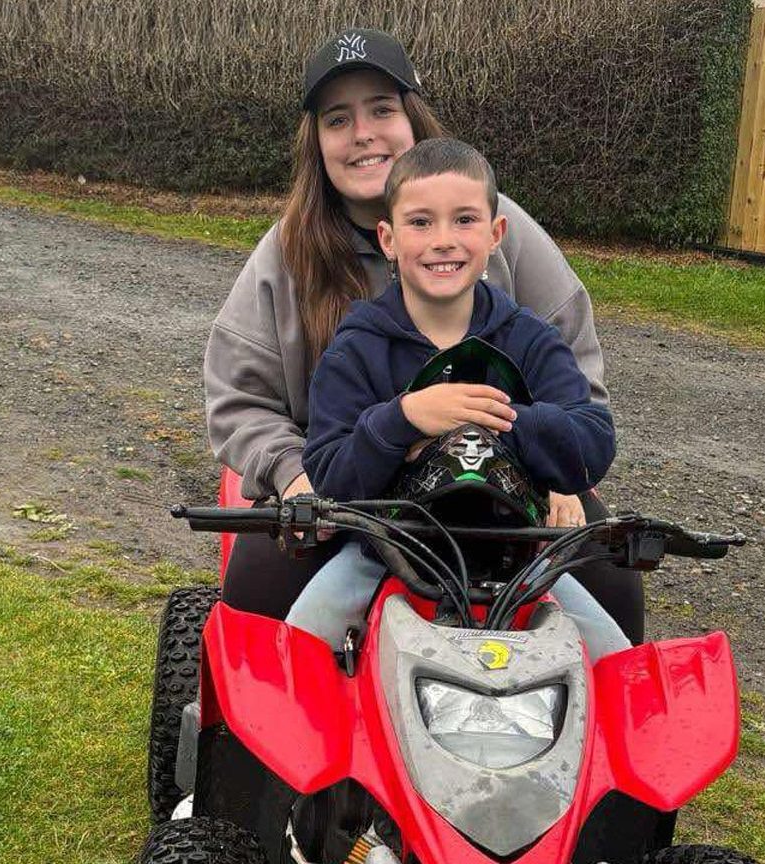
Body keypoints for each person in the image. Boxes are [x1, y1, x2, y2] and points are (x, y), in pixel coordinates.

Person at [203, 28, 644, 643]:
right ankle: (253, 733)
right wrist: (297, 476)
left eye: (382, 110)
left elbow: (576, 391)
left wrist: (561, 478)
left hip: (513, 476)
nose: (363, 134)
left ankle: (597, 725)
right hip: (348, 482)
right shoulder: (288, 253)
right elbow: (240, 400)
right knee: (258, 586)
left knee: (614, 581)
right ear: (318, 143)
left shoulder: (501, 228)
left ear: (413, 119)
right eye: (338, 119)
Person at [288, 138, 629, 658]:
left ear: (496, 235)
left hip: (519, 558)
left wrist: (502, 424)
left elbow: (592, 442)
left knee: (616, 662)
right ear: (388, 238)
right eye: (420, 223)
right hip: (385, 553)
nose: (443, 240)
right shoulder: (357, 349)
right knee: (298, 650)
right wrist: (403, 418)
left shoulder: (531, 339)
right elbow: (330, 474)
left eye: (464, 220)